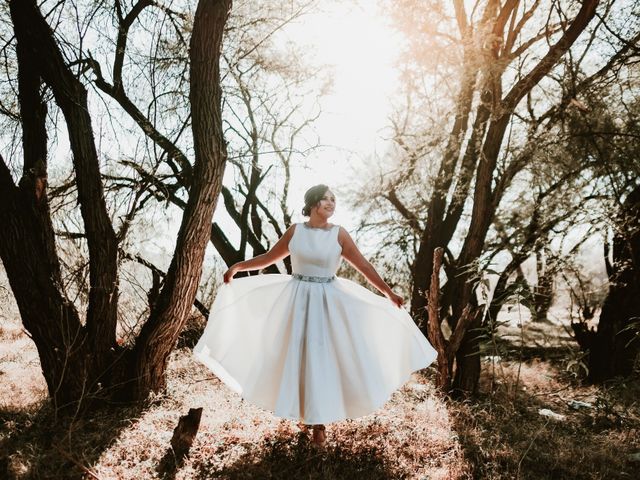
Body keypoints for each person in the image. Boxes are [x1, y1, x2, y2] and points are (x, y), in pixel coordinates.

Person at [193, 184, 437, 447]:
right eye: (326, 199)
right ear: (313, 203)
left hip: (328, 301)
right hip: (297, 300)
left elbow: (363, 265)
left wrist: (388, 292)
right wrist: (238, 267)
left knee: (324, 359)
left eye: (334, 199)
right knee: (296, 357)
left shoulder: (339, 235)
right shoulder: (295, 231)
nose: (331, 203)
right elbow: (267, 258)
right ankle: (306, 413)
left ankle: (319, 424)